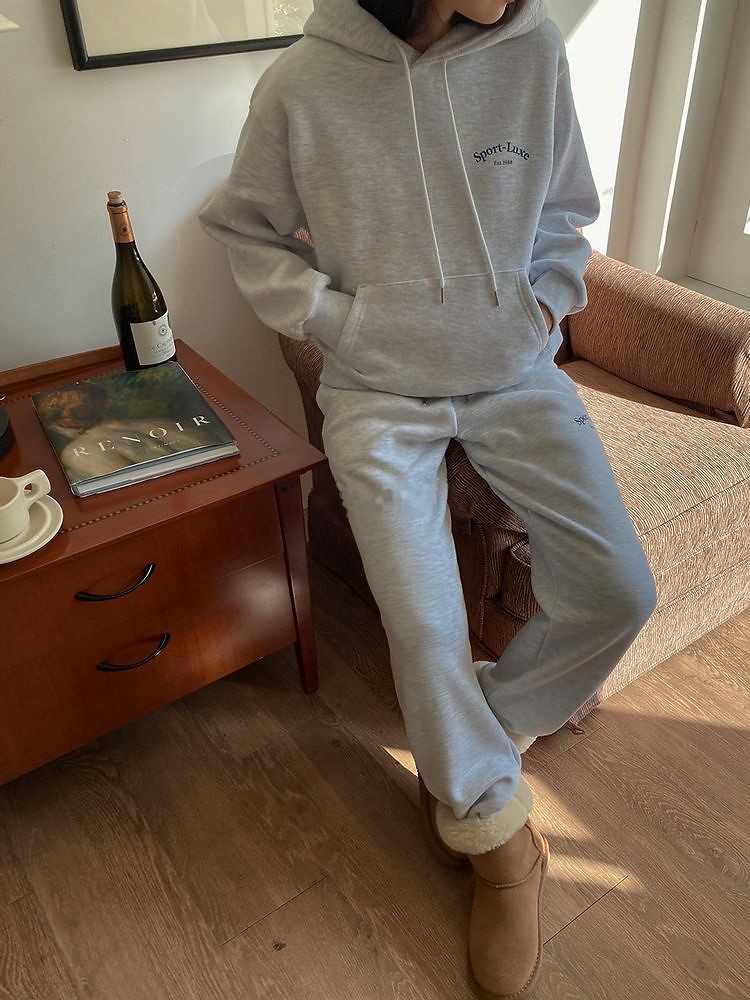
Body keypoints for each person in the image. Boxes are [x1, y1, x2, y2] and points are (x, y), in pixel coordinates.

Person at [198, 1, 658, 996]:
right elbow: (245, 230)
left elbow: (565, 209)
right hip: (377, 393)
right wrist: (340, 322)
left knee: (619, 589)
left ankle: (477, 729)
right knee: (423, 628)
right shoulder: (302, 84)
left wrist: (540, 305)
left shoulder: (533, 49)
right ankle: (498, 841)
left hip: (516, 374)